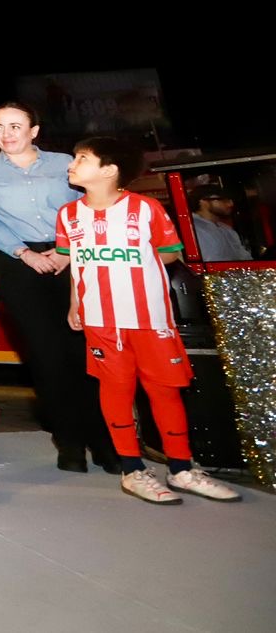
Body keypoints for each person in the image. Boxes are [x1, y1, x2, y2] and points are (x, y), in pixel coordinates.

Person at [58, 138, 241, 505]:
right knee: (116, 391)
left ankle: (181, 468)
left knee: (164, 390)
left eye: (82, 159)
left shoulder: (146, 209)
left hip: (150, 318)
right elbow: (75, 264)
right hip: (102, 322)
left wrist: (132, 271)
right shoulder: (68, 215)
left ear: (110, 170)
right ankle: (131, 470)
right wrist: (76, 303)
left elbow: (169, 254)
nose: (72, 164)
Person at [0, 101, 117, 474]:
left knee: (87, 353)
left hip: (73, 258)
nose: (7, 134)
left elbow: (89, 204)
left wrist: (69, 251)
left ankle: (105, 441)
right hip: (19, 265)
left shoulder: (64, 162)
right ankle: (69, 443)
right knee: (47, 358)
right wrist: (23, 253)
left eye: (16, 126)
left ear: (34, 130)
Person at [189, 185, 252, 262]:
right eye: (223, 200)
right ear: (203, 202)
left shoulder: (226, 229)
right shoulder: (193, 229)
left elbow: (244, 257)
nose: (230, 204)